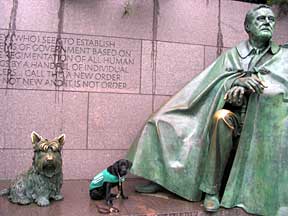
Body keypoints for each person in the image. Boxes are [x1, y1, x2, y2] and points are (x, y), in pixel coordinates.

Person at [127, 5, 288, 216]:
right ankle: (190, 185)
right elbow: (211, 83)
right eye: (260, 19)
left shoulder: (283, 57)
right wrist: (234, 83)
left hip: (263, 124)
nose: (267, 22)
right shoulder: (234, 55)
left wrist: (255, 88)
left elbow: (281, 87)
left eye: (270, 19)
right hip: (233, 116)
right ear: (247, 26)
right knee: (165, 121)